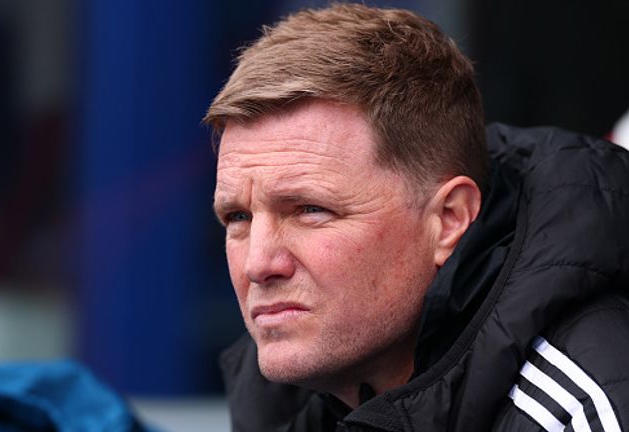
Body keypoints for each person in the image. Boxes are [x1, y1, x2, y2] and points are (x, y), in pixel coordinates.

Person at [204, 4, 629, 431]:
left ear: (448, 219)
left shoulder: (577, 410)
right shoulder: (289, 395)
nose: (258, 265)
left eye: (310, 211)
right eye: (238, 216)